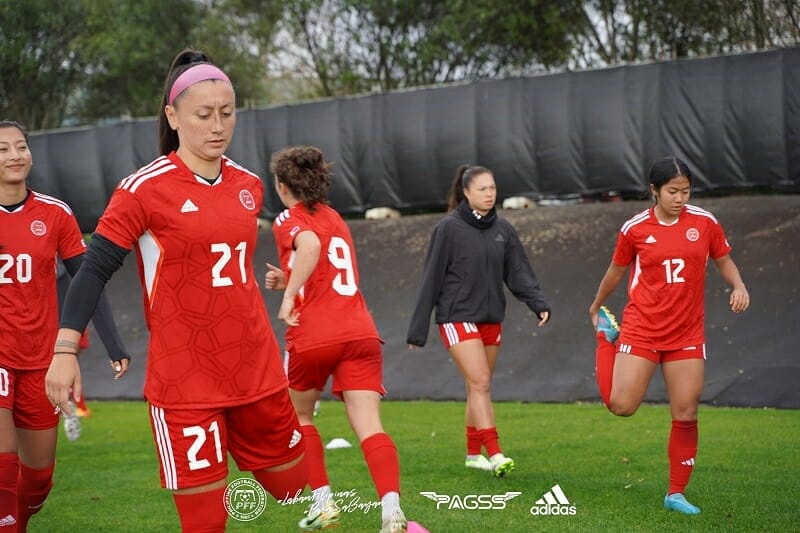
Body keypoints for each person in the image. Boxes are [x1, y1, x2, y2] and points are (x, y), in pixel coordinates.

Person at [44, 49, 308, 532]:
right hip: (186, 381)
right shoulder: (143, 189)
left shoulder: (249, 185)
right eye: (203, 115)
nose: (217, 126)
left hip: (257, 371)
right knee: (206, 522)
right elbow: (93, 266)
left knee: (294, 490)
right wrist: (65, 349)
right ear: (172, 115)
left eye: (226, 113)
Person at [588, 156, 750, 515]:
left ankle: (676, 493)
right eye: (672, 191)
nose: (680, 198)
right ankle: (606, 339)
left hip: (686, 331)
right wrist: (597, 305)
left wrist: (738, 285)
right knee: (621, 406)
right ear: (654, 191)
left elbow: (723, 258)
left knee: (687, 412)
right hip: (643, 327)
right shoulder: (635, 228)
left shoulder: (704, 223)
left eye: (686, 191)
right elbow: (616, 270)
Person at [265, 146, 407, 533]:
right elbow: (323, 262)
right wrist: (289, 278)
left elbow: (309, 246)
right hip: (359, 331)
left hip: (315, 334)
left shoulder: (286, 217)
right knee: (370, 427)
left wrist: (289, 294)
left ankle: (324, 506)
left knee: (301, 416)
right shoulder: (336, 218)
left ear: (281, 186)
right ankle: (391, 509)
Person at [0, 120, 129, 531]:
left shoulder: (55, 213)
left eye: (20, 146)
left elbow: (88, 280)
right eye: (3, 149)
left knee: (37, 480)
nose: (14, 155)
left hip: (41, 360)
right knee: (3, 473)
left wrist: (114, 344)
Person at [406, 164, 551, 477]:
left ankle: (473, 455)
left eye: (493, 188)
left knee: (477, 386)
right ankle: (496, 453)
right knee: (481, 382)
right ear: (466, 192)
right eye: (483, 189)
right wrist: (418, 330)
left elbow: (518, 273)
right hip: (457, 317)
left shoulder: (504, 230)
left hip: (490, 318)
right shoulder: (448, 229)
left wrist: (537, 303)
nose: (489, 194)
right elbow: (431, 278)